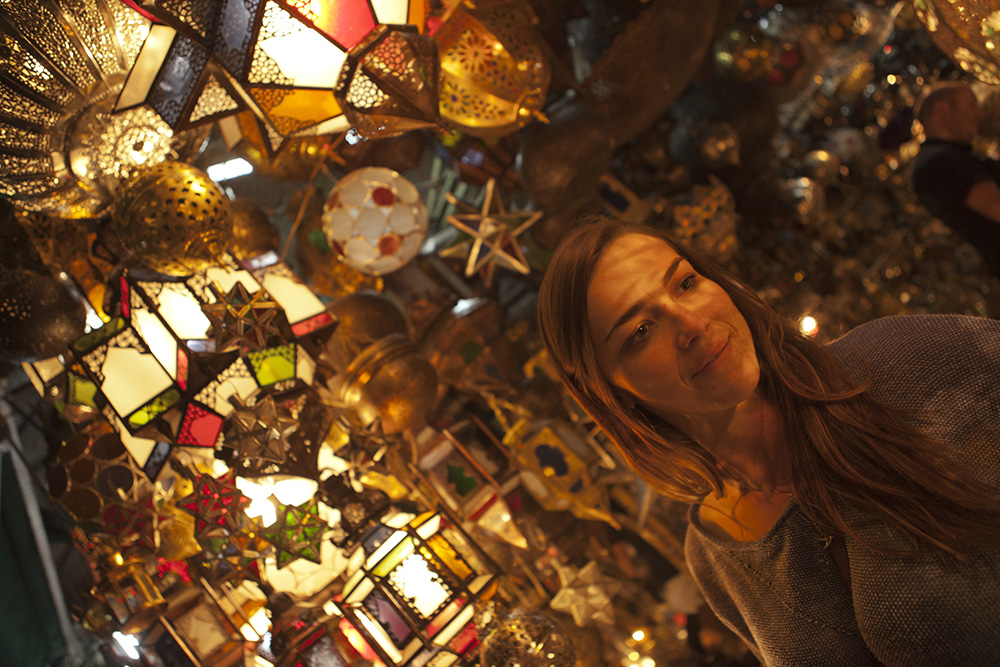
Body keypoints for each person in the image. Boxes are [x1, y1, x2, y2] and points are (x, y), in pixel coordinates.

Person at [536, 217, 1000, 666]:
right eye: (641, 331)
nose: (691, 323)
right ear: (613, 392)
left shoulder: (898, 360)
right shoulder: (714, 558)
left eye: (685, 284)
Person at [911, 83, 1000, 277]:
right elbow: (996, 206)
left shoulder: (954, 155)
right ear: (943, 109)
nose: (979, 114)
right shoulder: (937, 163)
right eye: (971, 105)